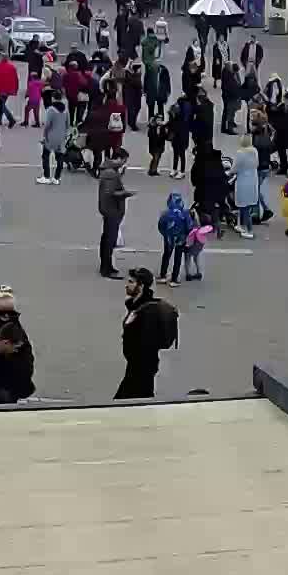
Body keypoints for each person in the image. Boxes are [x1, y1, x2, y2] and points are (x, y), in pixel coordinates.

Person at [115, 267, 177, 399]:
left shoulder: (147, 311)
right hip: (135, 367)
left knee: (129, 401)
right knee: (142, 399)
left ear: (141, 286)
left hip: (141, 368)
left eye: (131, 282)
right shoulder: (136, 304)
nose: (127, 285)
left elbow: (146, 342)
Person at [96, 147, 134, 278]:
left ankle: (106, 265)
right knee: (109, 240)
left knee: (107, 238)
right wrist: (125, 193)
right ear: (117, 159)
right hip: (112, 210)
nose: (124, 163)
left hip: (109, 209)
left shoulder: (110, 172)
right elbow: (110, 192)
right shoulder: (110, 173)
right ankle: (106, 268)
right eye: (123, 160)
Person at [157, 192, 193, 286]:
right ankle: (174, 279)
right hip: (180, 238)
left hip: (168, 238)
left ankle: (163, 276)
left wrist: (165, 234)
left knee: (166, 255)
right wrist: (186, 235)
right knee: (178, 258)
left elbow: (160, 225)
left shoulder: (165, 213)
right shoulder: (184, 213)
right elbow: (189, 226)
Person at [230, 134, 260, 238]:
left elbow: (234, 168)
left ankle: (249, 230)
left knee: (244, 206)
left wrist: (229, 173)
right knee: (246, 205)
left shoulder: (240, 153)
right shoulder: (254, 151)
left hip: (243, 181)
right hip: (252, 180)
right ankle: (240, 225)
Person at [39, 90, 69, 185]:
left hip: (51, 137)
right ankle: (57, 177)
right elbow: (68, 124)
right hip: (61, 137)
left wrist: (44, 136)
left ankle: (47, 176)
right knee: (59, 157)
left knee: (46, 156)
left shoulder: (51, 110)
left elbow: (47, 125)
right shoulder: (65, 110)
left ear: (53, 98)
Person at [0, 54, 20, 128]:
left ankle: (11, 119)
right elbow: (16, 79)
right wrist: (15, 89)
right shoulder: (12, 67)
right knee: (1, 104)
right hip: (8, 90)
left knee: (2, 105)